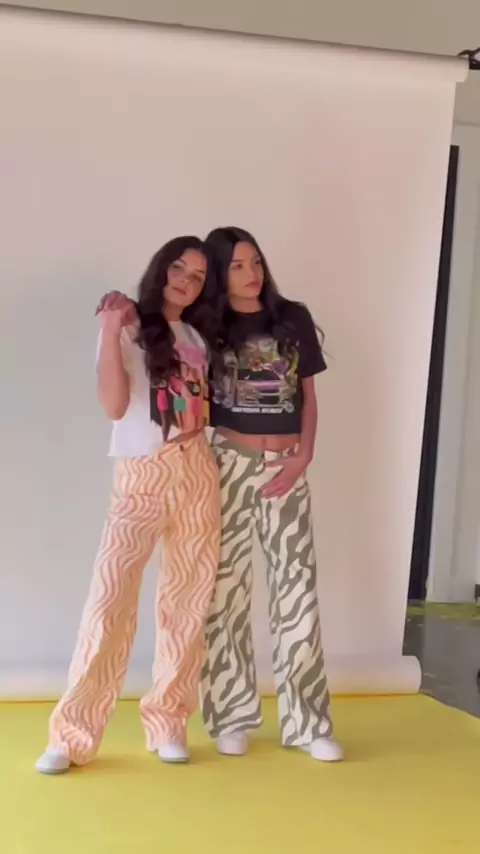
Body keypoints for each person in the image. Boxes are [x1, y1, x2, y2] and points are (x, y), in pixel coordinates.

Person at [96, 226, 343, 763]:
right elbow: (158, 332)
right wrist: (119, 310)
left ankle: (308, 723)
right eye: (235, 265)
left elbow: (308, 394)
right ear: (218, 274)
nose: (251, 274)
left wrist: (304, 454)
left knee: (297, 592)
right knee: (225, 592)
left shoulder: (292, 317)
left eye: (256, 262)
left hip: (286, 465)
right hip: (226, 462)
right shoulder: (208, 325)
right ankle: (230, 715)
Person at [36, 236, 221, 774]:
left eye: (197, 277)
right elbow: (115, 406)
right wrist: (110, 327)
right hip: (142, 476)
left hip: (197, 470)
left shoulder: (197, 337)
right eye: (178, 269)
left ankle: (168, 722)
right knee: (109, 600)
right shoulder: (126, 326)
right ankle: (71, 735)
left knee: (187, 603)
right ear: (161, 268)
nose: (185, 282)